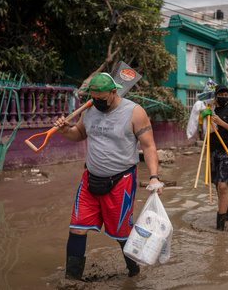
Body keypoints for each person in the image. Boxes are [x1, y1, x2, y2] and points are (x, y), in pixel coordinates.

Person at [53, 73, 163, 280]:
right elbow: (80, 134)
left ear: (114, 92)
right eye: (94, 99)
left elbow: (149, 146)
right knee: (77, 228)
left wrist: (154, 177)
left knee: (122, 235)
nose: (97, 103)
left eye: (102, 99)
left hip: (121, 182)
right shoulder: (89, 110)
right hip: (90, 180)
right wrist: (65, 131)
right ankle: (72, 280)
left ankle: (134, 275)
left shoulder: (134, 113)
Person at [201, 84, 228, 230]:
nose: (224, 97)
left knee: (223, 186)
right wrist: (203, 119)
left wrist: (221, 123)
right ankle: (227, 213)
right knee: (218, 188)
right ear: (215, 95)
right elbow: (204, 131)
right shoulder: (209, 109)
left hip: (227, 150)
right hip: (212, 151)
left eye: (226, 94)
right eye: (221, 94)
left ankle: (220, 227)